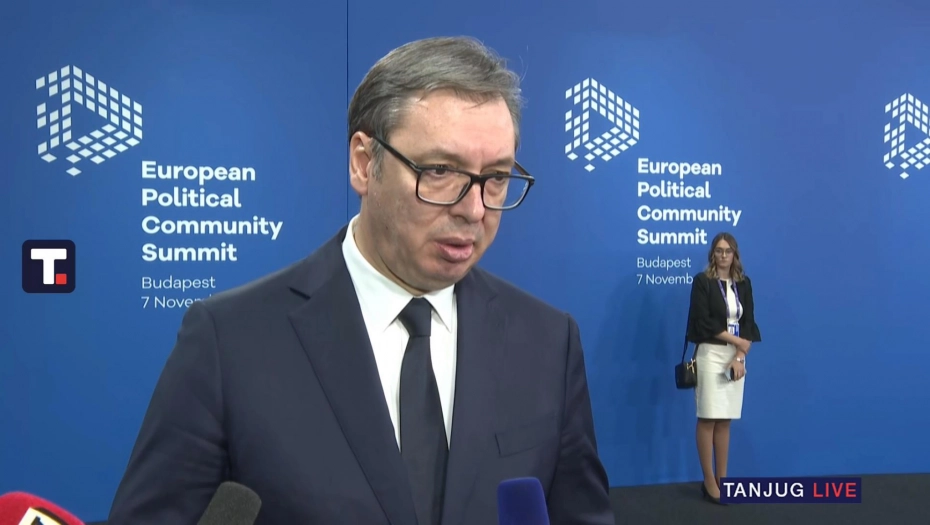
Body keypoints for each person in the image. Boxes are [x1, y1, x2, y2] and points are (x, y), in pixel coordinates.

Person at [107, 36, 614, 524]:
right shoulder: (230, 341)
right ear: (364, 164)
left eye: (496, 178)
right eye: (441, 171)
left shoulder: (549, 343)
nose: (474, 209)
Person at [685, 232, 761, 505]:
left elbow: (748, 322)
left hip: (735, 357)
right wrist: (737, 341)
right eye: (719, 250)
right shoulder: (702, 282)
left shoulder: (744, 283)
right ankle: (709, 481)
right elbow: (702, 322)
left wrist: (739, 355)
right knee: (708, 417)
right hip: (710, 353)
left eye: (728, 251)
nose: (723, 255)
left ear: (735, 254)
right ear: (712, 254)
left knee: (725, 419)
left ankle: (723, 479)